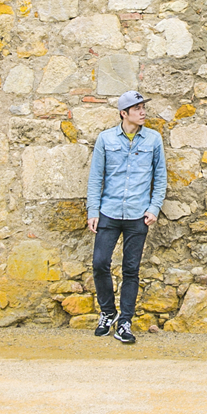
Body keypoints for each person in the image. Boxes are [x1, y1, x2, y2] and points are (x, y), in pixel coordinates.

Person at [86, 90, 167, 345]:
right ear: (124, 113)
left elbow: (161, 177)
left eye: (144, 107)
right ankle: (108, 312)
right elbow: (95, 177)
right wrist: (93, 211)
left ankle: (125, 322)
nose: (143, 112)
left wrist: (154, 208)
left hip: (137, 215)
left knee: (131, 269)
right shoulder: (106, 139)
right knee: (100, 263)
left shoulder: (153, 140)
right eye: (137, 108)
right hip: (109, 212)